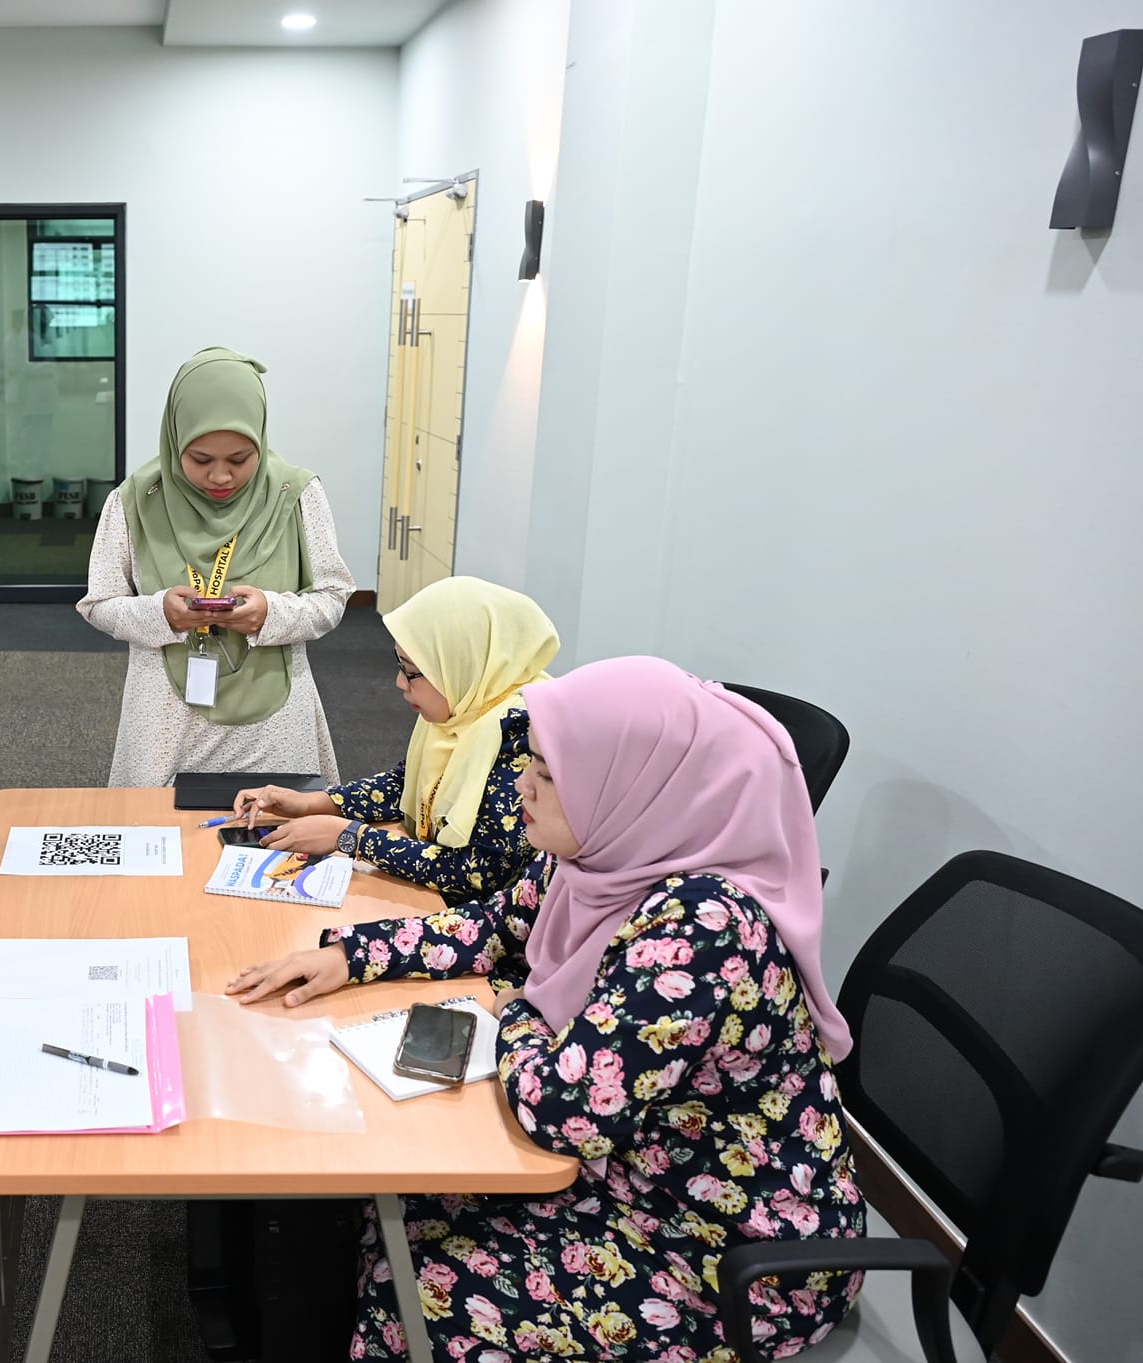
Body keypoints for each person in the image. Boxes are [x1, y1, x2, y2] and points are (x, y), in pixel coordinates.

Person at [229, 657, 867, 1361]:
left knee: (413, 1300)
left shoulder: (706, 927)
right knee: (385, 1205)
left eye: (548, 772)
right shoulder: (596, 850)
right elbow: (496, 925)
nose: (521, 787)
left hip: (725, 1253)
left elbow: (567, 1110)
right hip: (626, 1171)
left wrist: (519, 1014)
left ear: (631, 783)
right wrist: (353, 955)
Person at [78, 347, 353, 786]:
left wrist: (271, 613)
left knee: (273, 824)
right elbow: (99, 603)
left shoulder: (296, 494)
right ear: (175, 440)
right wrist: (160, 614)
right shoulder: (134, 502)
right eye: (201, 460)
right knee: (156, 827)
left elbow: (333, 597)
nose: (221, 477)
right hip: (166, 722)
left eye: (240, 459)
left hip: (274, 720)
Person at [231, 576, 558, 935]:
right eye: (401, 665)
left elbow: (476, 872)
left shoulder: (522, 735)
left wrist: (352, 838)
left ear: (462, 663)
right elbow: (405, 784)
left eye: (413, 672)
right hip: (441, 907)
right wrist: (312, 803)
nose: (400, 682)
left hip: (483, 930)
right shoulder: (465, 703)